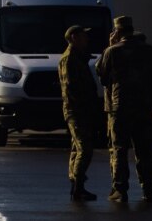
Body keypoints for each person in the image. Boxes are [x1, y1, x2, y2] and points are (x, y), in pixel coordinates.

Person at [96, 16, 152, 203]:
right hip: (143, 107)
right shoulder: (149, 51)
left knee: (119, 149)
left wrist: (109, 45)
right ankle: (149, 189)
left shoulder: (112, 51)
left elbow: (101, 73)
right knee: (144, 149)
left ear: (117, 31)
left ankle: (120, 189)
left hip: (119, 107)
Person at [58, 25, 98, 201]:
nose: (86, 39)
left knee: (77, 148)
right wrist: (83, 108)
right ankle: (78, 186)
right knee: (84, 148)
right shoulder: (69, 59)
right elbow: (70, 88)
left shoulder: (78, 57)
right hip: (77, 110)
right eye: (83, 36)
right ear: (74, 37)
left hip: (82, 109)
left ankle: (77, 185)